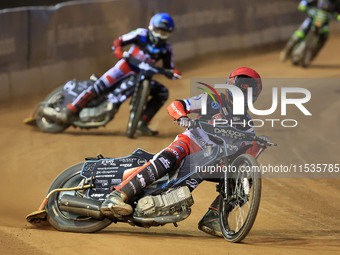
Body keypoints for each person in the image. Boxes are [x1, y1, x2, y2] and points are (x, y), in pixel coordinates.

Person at [100, 67, 267, 237]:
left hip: (210, 160)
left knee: (242, 177)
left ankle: (214, 217)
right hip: (189, 143)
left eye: (248, 93)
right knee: (167, 159)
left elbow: (246, 153)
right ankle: (117, 195)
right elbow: (177, 105)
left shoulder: (247, 123)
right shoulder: (212, 100)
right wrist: (182, 117)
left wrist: (257, 146)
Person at [45, 13, 181, 136]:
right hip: (124, 68)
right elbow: (119, 41)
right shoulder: (141, 34)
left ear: (169, 34)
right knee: (100, 86)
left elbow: (169, 69)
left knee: (163, 92)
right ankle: (71, 110)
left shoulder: (167, 49)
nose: (159, 35)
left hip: (143, 77)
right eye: (158, 31)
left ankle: (142, 123)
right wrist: (118, 50)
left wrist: (173, 73)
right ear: (151, 28)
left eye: (163, 33)